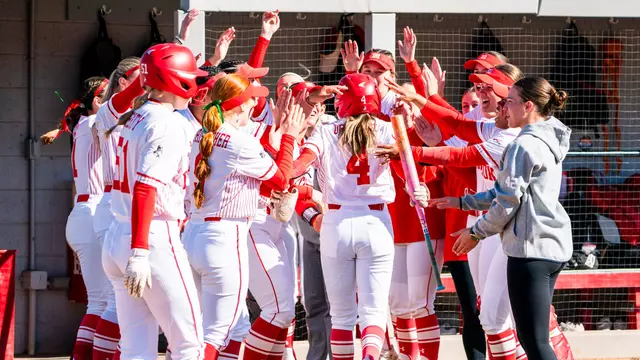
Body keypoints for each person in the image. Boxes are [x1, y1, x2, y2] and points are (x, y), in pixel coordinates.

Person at [437, 77, 572, 360]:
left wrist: (475, 232)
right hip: (549, 245)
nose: (503, 106)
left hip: (530, 248)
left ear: (528, 106)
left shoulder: (523, 144)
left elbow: (506, 202)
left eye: (509, 101)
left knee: (533, 340)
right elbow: (506, 193)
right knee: (533, 337)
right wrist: (463, 202)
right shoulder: (549, 135)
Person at [292, 73, 421, 360]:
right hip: (376, 222)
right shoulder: (388, 128)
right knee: (373, 311)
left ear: (343, 102)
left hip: (335, 223)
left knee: (341, 316)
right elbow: (410, 171)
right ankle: (371, 357)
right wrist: (417, 190)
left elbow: (300, 165)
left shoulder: (326, 131)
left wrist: (281, 172)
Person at [181, 73, 306, 360]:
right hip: (224, 238)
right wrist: (288, 137)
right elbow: (281, 180)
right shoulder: (238, 141)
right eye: (251, 99)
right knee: (217, 334)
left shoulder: (202, 133)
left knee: (227, 330)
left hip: (195, 235)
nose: (255, 104)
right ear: (237, 105)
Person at [101, 43, 207, 360]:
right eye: (189, 76)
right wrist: (140, 251)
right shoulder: (168, 123)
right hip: (151, 237)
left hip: (118, 234)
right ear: (175, 79)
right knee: (189, 345)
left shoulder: (135, 115)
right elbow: (146, 188)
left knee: (136, 349)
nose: (195, 82)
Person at [41, 76, 109, 360]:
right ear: (96, 100)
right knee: (106, 302)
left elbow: (69, 118)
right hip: (92, 213)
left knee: (102, 301)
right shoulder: (93, 123)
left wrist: (57, 129)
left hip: (85, 213)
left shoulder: (83, 122)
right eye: (108, 94)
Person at [92, 56, 143, 359]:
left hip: (123, 208)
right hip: (115, 209)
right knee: (124, 302)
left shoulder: (145, 114)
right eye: (139, 78)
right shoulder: (109, 111)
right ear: (124, 82)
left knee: (120, 301)